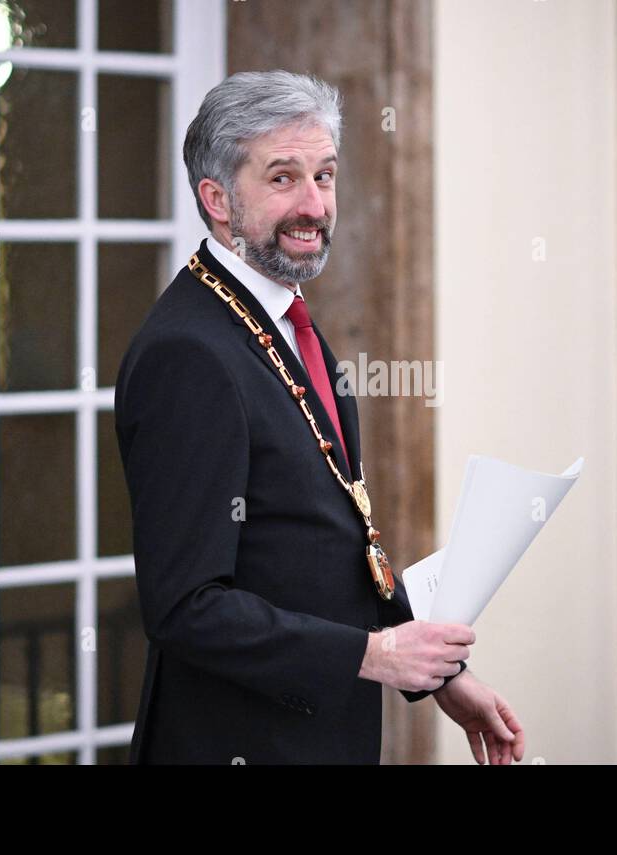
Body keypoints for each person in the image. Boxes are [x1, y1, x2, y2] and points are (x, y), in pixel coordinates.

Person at [115, 70, 523, 764]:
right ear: (216, 199)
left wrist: (441, 674)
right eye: (284, 179)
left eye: (325, 176)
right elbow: (185, 608)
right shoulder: (189, 353)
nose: (315, 205)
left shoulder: (279, 315)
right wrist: (373, 654)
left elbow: (334, 536)